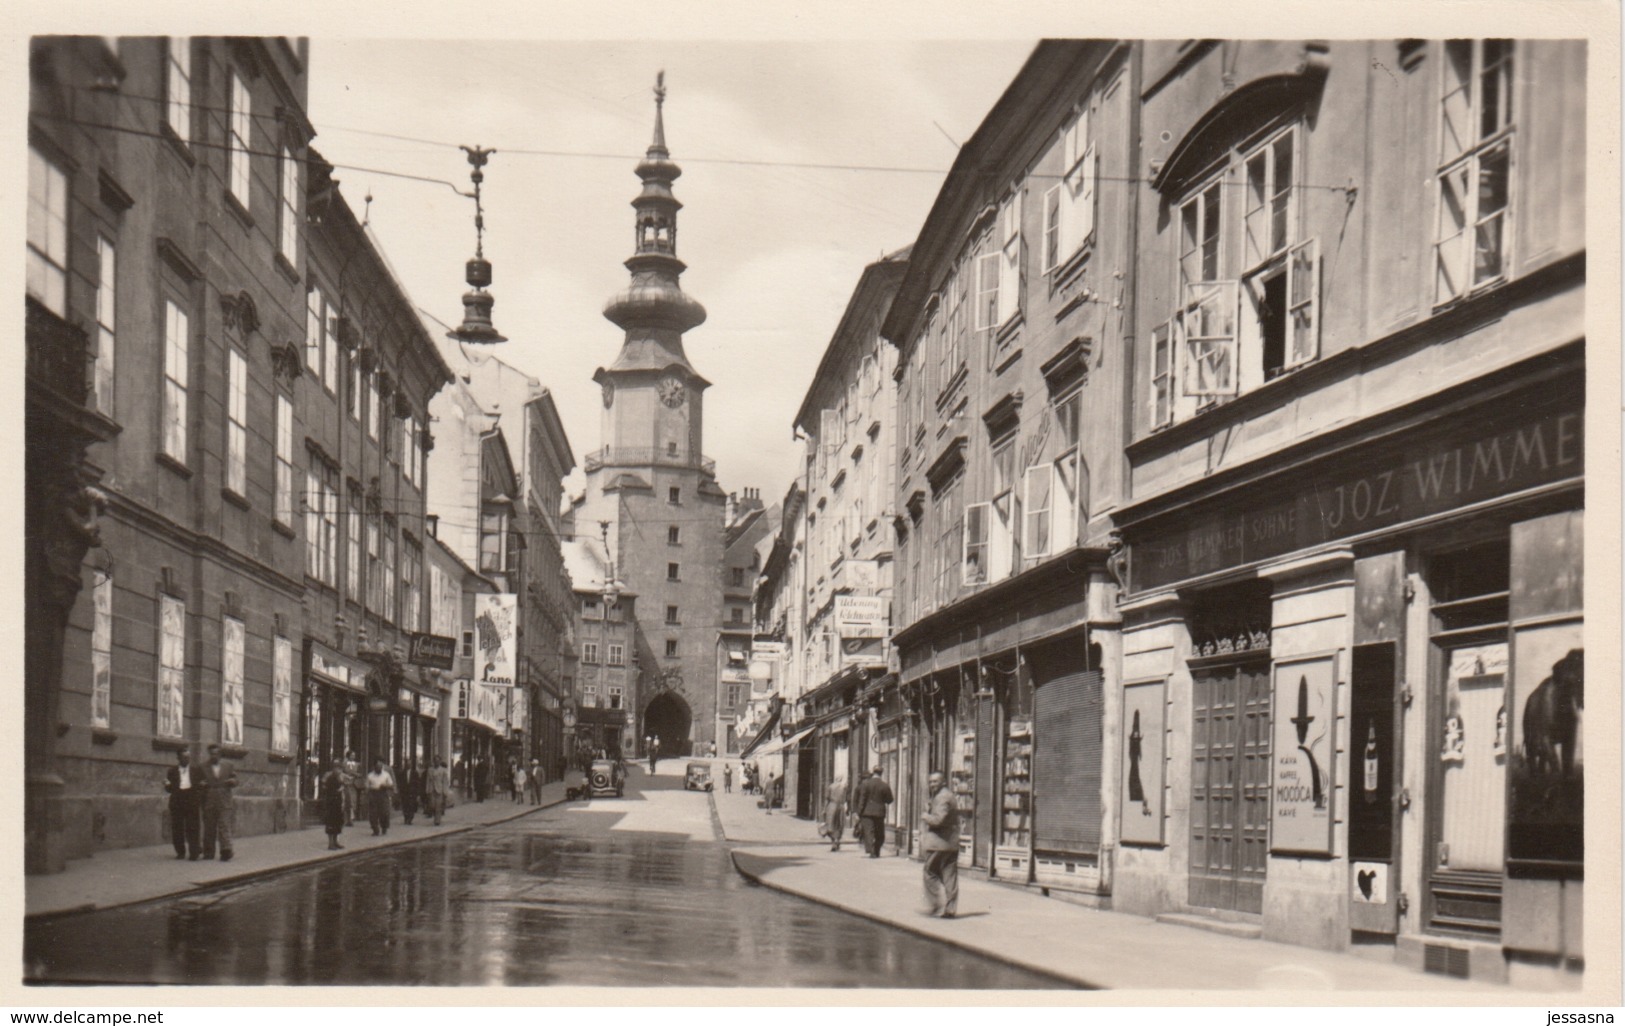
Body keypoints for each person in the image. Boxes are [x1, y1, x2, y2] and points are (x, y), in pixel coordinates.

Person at [921, 771, 959, 918]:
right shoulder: (947, 795)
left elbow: (938, 820)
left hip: (938, 844)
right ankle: (950, 909)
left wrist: (926, 816)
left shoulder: (942, 797)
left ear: (943, 782)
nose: (932, 785)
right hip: (950, 843)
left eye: (935, 782)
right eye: (930, 782)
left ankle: (936, 904)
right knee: (950, 876)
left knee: (929, 873)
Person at [200, 743, 238, 861]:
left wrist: (233, 781)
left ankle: (226, 851)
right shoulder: (203, 766)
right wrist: (202, 784)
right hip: (209, 800)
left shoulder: (229, 766)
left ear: (220, 755)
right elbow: (199, 781)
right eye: (211, 754)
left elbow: (236, 779)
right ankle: (208, 852)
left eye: (216, 754)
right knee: (209, 827)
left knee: (224, 826)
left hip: (224, 800)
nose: (214, 756)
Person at [164, 747, 202, 860]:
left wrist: (198, 796)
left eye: (188, 757)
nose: (187, 760)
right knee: (177, 827)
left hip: (191, 799)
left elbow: (201, 785)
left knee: (193, 827)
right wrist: (167, 785)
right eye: (184, 757)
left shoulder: (196, 770)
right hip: (177, 799)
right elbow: (170, 789)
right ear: (178, 758)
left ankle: (194, 852)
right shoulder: (172, 771)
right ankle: (180, 852)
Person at [854, 766, 895, 858]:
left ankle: (871, 850)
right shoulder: (885, 785)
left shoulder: (866, 784)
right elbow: (890, 800)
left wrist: (858, 813)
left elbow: (862, 800)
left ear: (873, 772)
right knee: (879, 833)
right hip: (879, 813)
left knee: (869, 832)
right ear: (881, 773)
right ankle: (876, 850)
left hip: (867, 813)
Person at [319, 763, 347, 850]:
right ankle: (331, 843)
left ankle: (335, 842)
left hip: (337, 803)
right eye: (338, 769)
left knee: (337, 823)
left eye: (340, 769)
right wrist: (340, 789)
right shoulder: (331, 778)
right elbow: (330, 790)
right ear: (334, 769)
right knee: (331, 823)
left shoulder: (338, 778)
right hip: (331, 804)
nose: (339, 771)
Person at [366, 757, 396, 836]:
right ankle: (375, 829)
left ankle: (384, 827)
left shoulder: (386, 775)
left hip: (383, 793)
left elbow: (391, 785)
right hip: (373, 794)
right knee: (373, 813)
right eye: (377, 767)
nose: (379, 768)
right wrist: (368, 795)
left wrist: (385, 786)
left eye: (380, 766)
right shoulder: (370, 775)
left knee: (384, 812)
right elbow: (367, 786)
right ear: (374, 767)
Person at [821, 777, 847, 852]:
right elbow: (845, 799)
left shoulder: (830, 786)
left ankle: (833, 842)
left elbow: (827, 799)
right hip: (840, 807)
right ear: (841, 779)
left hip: (832, 806)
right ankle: (837, 839)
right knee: (839, 824)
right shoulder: (843, 787)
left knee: (830, 824)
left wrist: (824, 809)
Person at [425, 755, 452, 826]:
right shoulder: (430, 770)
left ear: (440, 761)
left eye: (437, 761)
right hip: (432, 790)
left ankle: (437, 820)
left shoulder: (443, 770)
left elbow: (445, 782)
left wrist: (445, 792)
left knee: (438, 806)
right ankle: (436, 816)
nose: (436, 762)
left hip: (439, 790)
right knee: (432, 805)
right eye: (435, 761)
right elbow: (428, 781)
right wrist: (427, 790)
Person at [398, 758, 423, 825]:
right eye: (407, 764)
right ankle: (406, 818)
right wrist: (400, 792)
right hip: (404, 792)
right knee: (405, 805)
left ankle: (410, 819)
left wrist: (417, 793)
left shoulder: (415, 773)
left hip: (412, 792)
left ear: (411, 765)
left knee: (411, 805)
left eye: (409, 764)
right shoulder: (402, 773)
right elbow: (400, 783)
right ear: (405, 765)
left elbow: (417, 783)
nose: (408, 765)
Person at [342, 748, 362, 825]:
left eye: (354, 755)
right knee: (346, 802)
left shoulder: (357, 764)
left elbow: (360, 773)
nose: (353, 756)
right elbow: (343, 772)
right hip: (346, 784)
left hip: (354, 785)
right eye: (352, 755)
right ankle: (346, 819)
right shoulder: (344, 763)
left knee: (353, 802)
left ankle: (351, 819)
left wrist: (356, 774)